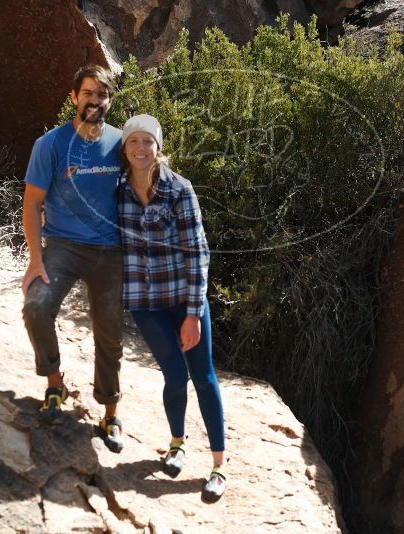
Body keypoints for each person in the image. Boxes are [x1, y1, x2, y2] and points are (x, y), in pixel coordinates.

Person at [118, 114, 227, 502]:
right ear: (125, 148)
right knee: (173, 376)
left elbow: (199, 252)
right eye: (134, 142)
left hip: (184, 299)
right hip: (146, 303)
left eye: (148, 142)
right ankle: (177, 445)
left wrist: (194, 313)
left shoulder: (180, 189)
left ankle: (218, 467)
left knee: (203, 376)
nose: (141, 149)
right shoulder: (118, 192)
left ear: (158, 147)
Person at [21, 64, 125, 453]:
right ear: (74, 97)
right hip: (63, 245)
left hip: (110, 250)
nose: (95, 101)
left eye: (102, 94)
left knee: (110, 333)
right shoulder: (50, 144)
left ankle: (110, 412)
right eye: (88, 93)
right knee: (36, 307)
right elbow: (32, 204)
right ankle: (54, 384)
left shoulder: (121, 144)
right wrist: (36, 260)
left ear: (109, 101)